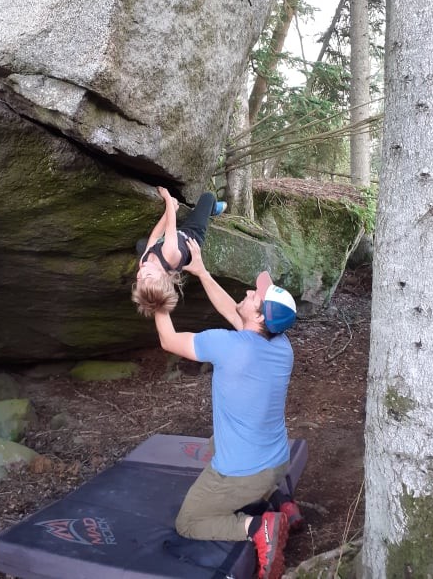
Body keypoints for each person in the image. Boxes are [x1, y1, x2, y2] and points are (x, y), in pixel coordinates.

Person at [153, 238, 300, 579]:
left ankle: (259, 527)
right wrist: (201, 271)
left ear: (259, 317)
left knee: (188, 521)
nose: (249, 292)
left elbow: (168, 340)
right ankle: (281, 501)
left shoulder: (227, 346)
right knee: (215, 441)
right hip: (277, 461)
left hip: (243, 473)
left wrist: (156, 291)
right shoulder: (281, 345)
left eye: (255, 296)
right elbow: (233, 312)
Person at [131, 187, 226, 318]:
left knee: (141, 245)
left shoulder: (144, 263)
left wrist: (169, 211)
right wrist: (168, 199)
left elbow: (156, 236)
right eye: (147, 275)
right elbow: (170, 224)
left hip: (174, 237)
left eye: (139, 279)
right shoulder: (169, 254)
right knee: (208, 197)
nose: (141, 272)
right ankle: (214, 209)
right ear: (163, 276)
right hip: (192, 233)